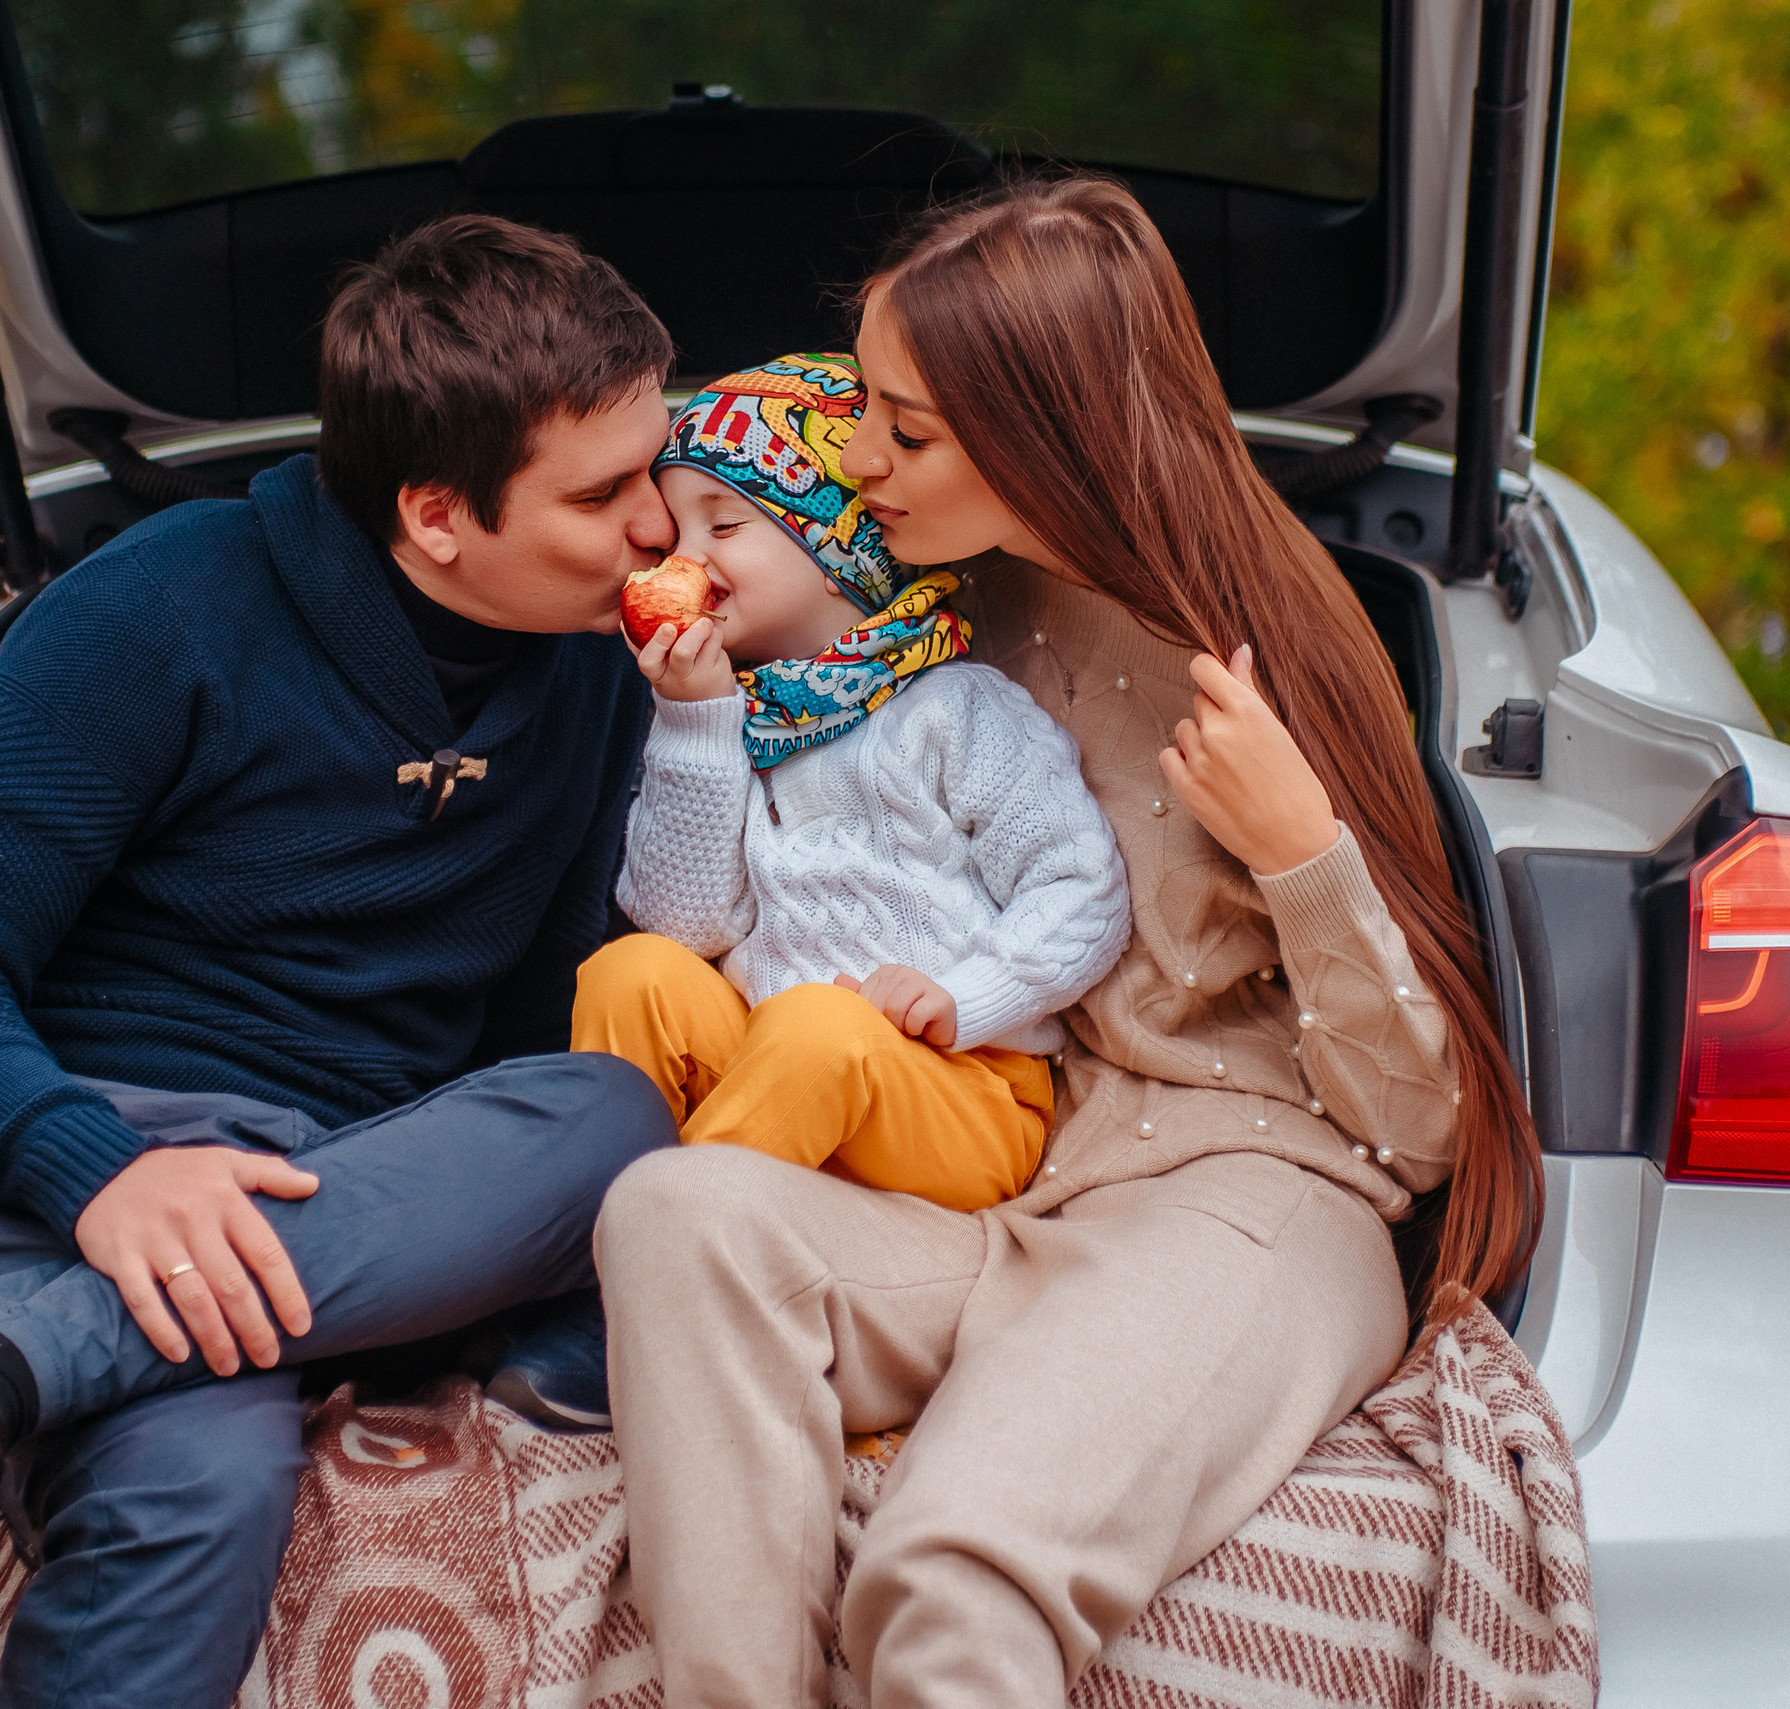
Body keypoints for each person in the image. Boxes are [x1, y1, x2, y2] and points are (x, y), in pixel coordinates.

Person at [596, 176, 1542, 1707]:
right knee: (670, 1212)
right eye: (864, 410)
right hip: (999, 1178)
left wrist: (1301, 847)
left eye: (905, 431)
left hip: (1243, 1198)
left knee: (946, 1577)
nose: (857, 458)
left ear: (1040, 431)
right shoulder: (912, 613)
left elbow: (1419, 1129)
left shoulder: (1258, 647)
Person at [0, 213, 684, 1709]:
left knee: (610, 1112)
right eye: (602, 494)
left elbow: (522, 1039)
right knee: (199, 1466)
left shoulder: (604, 683)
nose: (660, 525)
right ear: (437, 514)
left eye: (659, 465)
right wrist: (99, 1176)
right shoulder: (157, 606)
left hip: (290, 1198)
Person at [574, 354, 1129, 1213]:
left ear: (838, 546)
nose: (685, 558)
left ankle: (657, 1233)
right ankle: (594, 1216)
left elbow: (1082, 888)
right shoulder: (723, 717)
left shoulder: (953, 708)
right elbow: (685, 925)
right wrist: (696, 720)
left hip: (962, 1087)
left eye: (724, 526)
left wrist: (964, 996)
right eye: (676, 535)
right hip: (777, 1058)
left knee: (819, 1026)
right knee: (632, 971)